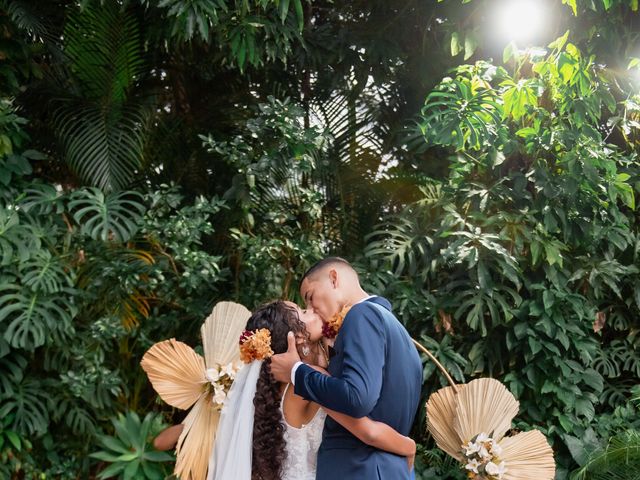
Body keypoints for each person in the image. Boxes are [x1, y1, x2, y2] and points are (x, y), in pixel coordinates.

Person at [208, 300, 416, 480]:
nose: (313, 310)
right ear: (297, 337)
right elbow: (367, 431)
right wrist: (408, 447)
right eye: (304, 312)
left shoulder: (282, 386)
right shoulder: (307, 379)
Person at [270, 257, 423, 479]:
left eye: (310, 297)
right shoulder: (397, 330)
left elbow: (357, 398)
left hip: (357, 469)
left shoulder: (361, 315)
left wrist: (296, 371)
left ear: (333, 278)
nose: (312, 310)